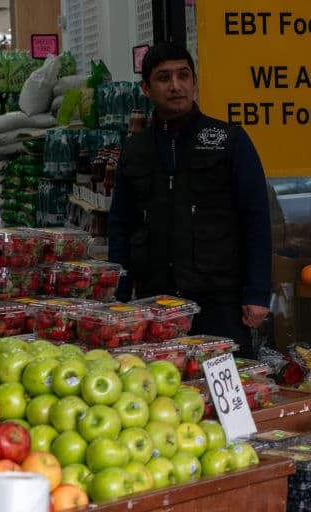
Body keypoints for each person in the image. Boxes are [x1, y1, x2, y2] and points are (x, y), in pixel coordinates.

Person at [108, 42, 271, 356]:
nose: (175, 85)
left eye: (183, 75)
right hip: (154, 303)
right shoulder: (135, 150)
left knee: (229, 382)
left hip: (219, 302)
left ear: (195, 82)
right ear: (146, 88)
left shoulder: (228, 141)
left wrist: (257, 292)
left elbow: (256, 219)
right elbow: (120, 226)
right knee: (158, 383)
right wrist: (119, 295)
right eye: (164, 77)